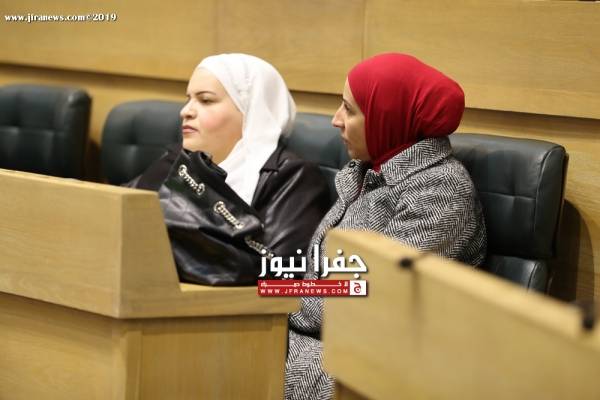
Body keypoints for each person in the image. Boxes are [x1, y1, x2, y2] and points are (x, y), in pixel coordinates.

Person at [284, 53, 487, 400]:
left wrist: (269, 297)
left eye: (349, 109)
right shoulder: (366, 171)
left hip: (386, 365)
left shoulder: (441, 190)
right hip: (324, 342)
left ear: (386, 116)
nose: (336, 120)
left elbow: (360, 299)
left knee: (233, 348)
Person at [129, 53, 330, 282]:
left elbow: (283, 274)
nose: (186, 111)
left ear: (251, 110)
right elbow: (122, 212)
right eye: (189, 99)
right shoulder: (180, 158)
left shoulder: (290, 176)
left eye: (205, 100)